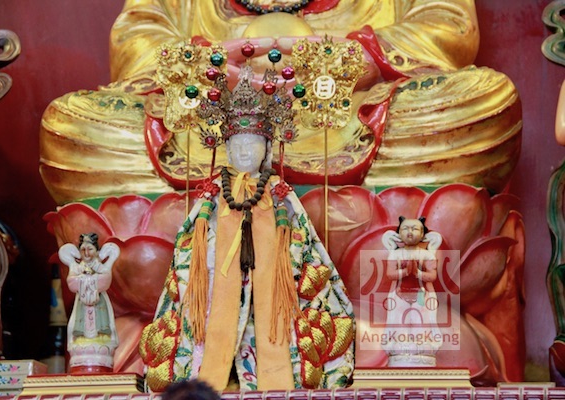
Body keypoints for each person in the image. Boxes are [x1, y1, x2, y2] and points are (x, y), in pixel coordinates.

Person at [39, 0, 521, 205]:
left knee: (483, 102)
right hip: (210, 120)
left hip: (347, 110)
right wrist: (204, 64)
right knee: (72, 128)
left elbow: (447, 24)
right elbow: (137, 38)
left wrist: (361, 58)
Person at [138, 66, 355, 391]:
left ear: (267, 148)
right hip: (217, 291)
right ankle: (214, 373)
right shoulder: (212, 196)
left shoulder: (279, 194)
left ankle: (274, 373)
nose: (243, 151)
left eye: (252, 144)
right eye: (236, 144)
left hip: (272, 297)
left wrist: (281, 261)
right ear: (225, 148)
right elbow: (190, 249)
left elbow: (302, 244)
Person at [381, 217, 442, 366]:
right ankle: (401, 343)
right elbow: (390, 274)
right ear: (399, 233)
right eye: (405, 228)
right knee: (401, 318)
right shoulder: (395, 254)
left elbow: (432, 276)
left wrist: (417, 273)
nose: (410, 232)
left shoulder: (427, 255)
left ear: (422, 234)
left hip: (421, 294)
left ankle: (420, 343)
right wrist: (405, 272)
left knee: (419, 317)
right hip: (400, 294)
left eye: (414, 229)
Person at [59, 233, 120, 373]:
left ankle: (102, 346)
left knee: (102, 337)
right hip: (81, 306)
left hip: (99, 305)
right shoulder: (77, 267)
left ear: (97, 251)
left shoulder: (100, 267)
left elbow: (105, 281)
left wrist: (87, 279)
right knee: (79, 336)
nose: (86, 253)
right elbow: (71, 283)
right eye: (83, 250)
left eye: (90, 249)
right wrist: (87, 279)